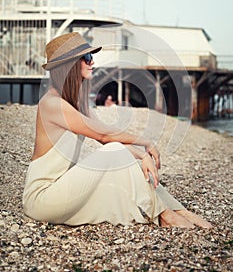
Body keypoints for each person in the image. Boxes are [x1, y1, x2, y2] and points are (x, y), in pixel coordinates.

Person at [23, 32, 212, 228]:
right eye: (87, 57)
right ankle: (165, 215)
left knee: (124, 158)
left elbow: (105, 136)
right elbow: (103, 136)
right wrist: (145, 144)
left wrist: (139, 156)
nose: (92, 62)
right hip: (43, 198)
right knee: (117, 152)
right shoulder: (52, 104)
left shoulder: (77, 103)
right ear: (69, 65)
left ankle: (179, 210)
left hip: (64, 187)